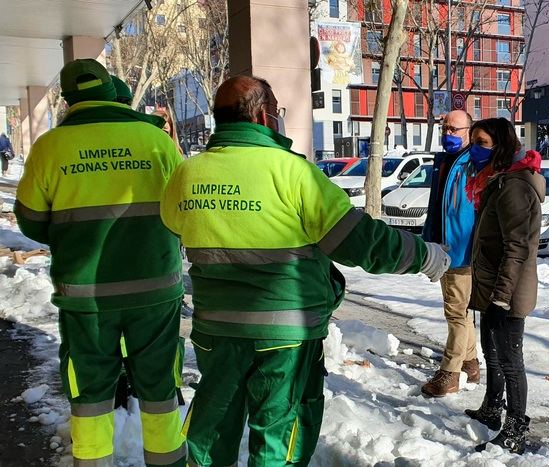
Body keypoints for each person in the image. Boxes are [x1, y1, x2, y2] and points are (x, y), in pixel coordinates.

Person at [160, 75, 450, 466]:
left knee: (212, 426)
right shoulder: (292, 173)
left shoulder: (187, 174)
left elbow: (175, 225)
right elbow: (358, 240)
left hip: (216, 328)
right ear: (265, 116)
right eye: (277, 110)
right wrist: (424, 256)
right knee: (281, 432)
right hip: (286, 333)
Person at [14, 59, 187, 466]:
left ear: (69, 99)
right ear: (110, 91)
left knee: (90, 393)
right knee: (160, 387)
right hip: (154, 291)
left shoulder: (49, 147)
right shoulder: (155, 141)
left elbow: (32, 221)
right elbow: (183, 210)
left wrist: (72, 236)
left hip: (85, 295)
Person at [463, 118, 545, 454]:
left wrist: (500, 301)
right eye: (473, 141)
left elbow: (517, 248)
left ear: (501, 145)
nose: (474, 149)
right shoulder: (496, 180)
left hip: (507, 292)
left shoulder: (513, 186)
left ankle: (516, 429)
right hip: (492, 286)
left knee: (511, 360)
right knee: (491, 353)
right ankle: (491, 408)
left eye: (481, 142)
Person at [420, 110, 480, 396]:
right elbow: (437, 207)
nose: (448, 134)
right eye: (445, 127)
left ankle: (450, 373)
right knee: (461, 311)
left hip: (461, 251)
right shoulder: (444, 160)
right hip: (443, 247)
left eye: (455, 129)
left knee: (456, 313)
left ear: (469, 130)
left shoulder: (474, 162)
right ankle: (470, 364)